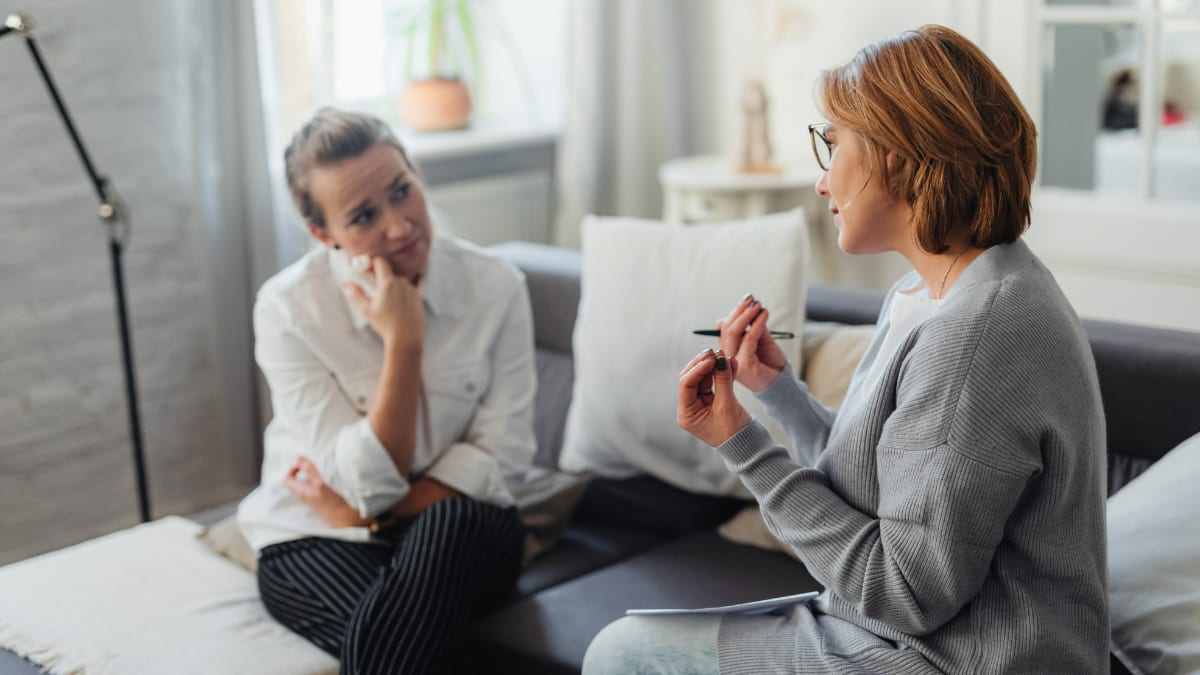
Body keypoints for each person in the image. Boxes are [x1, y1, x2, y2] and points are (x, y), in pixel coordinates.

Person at [584, 24, 1107, 674]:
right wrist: (780, 393)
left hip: (951, 659)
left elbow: (905, 593)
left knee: (621, 654)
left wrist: (740, 442)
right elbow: (889, 489)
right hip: (908, 640)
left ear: (898, 152)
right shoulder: (938, 289)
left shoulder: (974, 336)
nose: (821, 182)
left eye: (831, 146)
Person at [236, 108, 537, 674]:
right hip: (316, 534)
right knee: (410, 644)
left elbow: (507, 460)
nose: (400, 227)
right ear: (324, 235)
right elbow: (367, 482)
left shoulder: (496, 287)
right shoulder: (288, 311)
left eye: (403, 191)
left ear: (417, 174)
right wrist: (404, 344)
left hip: (464, 531)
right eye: (364, 216)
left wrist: (365, 514)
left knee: (454, 525)